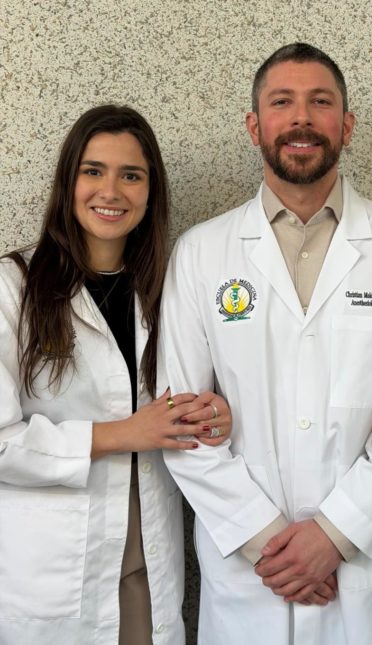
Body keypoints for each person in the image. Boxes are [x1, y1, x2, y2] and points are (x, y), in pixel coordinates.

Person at [160, 43, 372, 645]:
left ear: (346, 125)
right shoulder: (201, 253)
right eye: (282, 102)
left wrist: (336, 536)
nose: (301, 118)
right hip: (250, 575)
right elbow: (180, 421)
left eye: (320, 102)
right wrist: (273, 545)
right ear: (254, 126)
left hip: (360, 568)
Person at [0, 104, 231, 645]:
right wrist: (123, 433)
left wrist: (216, 413)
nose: (111, 191)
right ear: (68, 182)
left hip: (146, 563)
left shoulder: (168, 290)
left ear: (150, 193)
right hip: (51, 573)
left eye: (131, 175)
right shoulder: (12, 288)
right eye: (93, 171)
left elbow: (202, 393)